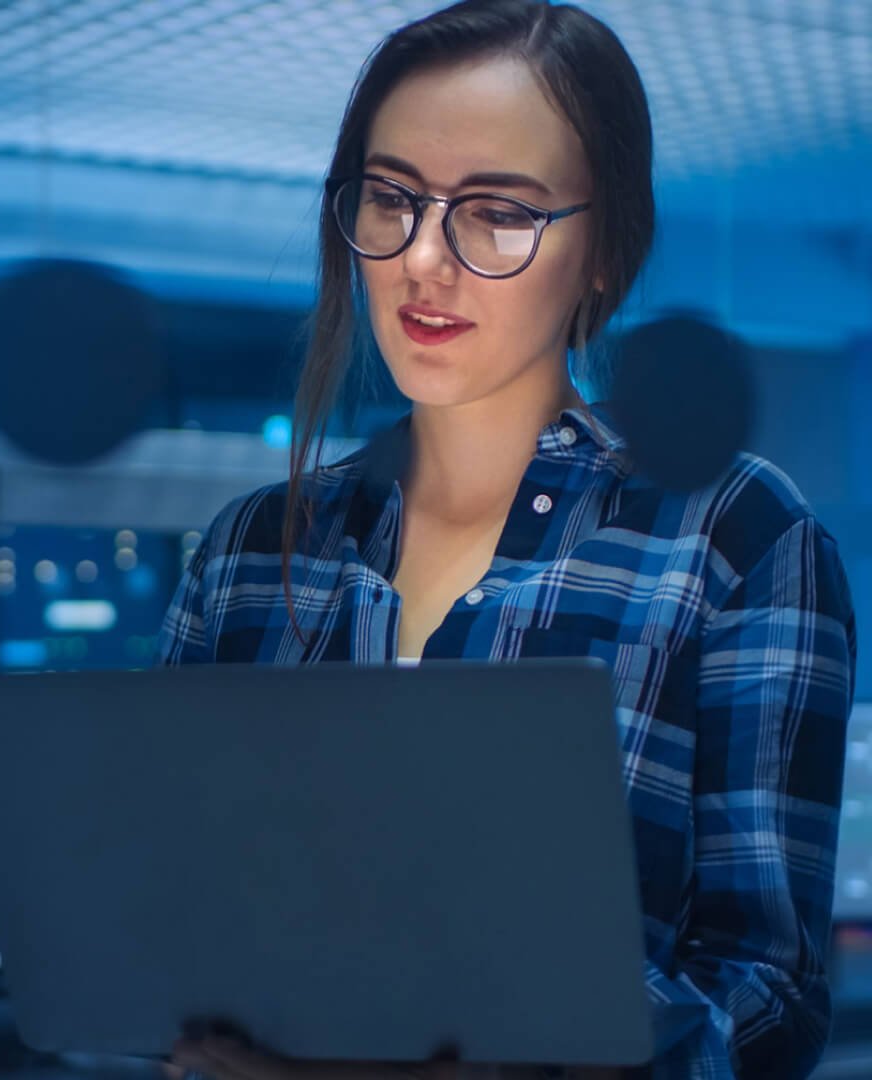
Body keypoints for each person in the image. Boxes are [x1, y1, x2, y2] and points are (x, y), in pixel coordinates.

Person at [160, 2, 855, 1079]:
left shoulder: (732, 540)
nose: (423, 261)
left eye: (496, 212)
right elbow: (164, 923)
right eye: (390, 199)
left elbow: (768, 997)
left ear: (603, 257)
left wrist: (525, 1052)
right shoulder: (250, 552)